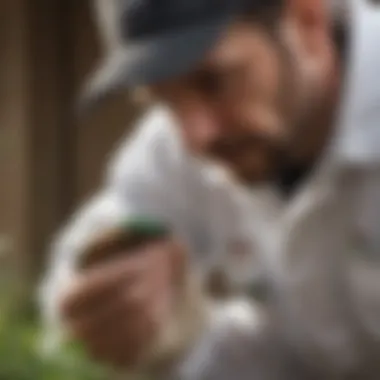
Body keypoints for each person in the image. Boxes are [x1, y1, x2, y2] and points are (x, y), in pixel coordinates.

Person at [40, 0, 380, 379]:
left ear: (306, 22)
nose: (195, 138)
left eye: (213, 82)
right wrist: (120, 291)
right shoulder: (182, 147)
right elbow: (90, 248)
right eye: (162, 100)